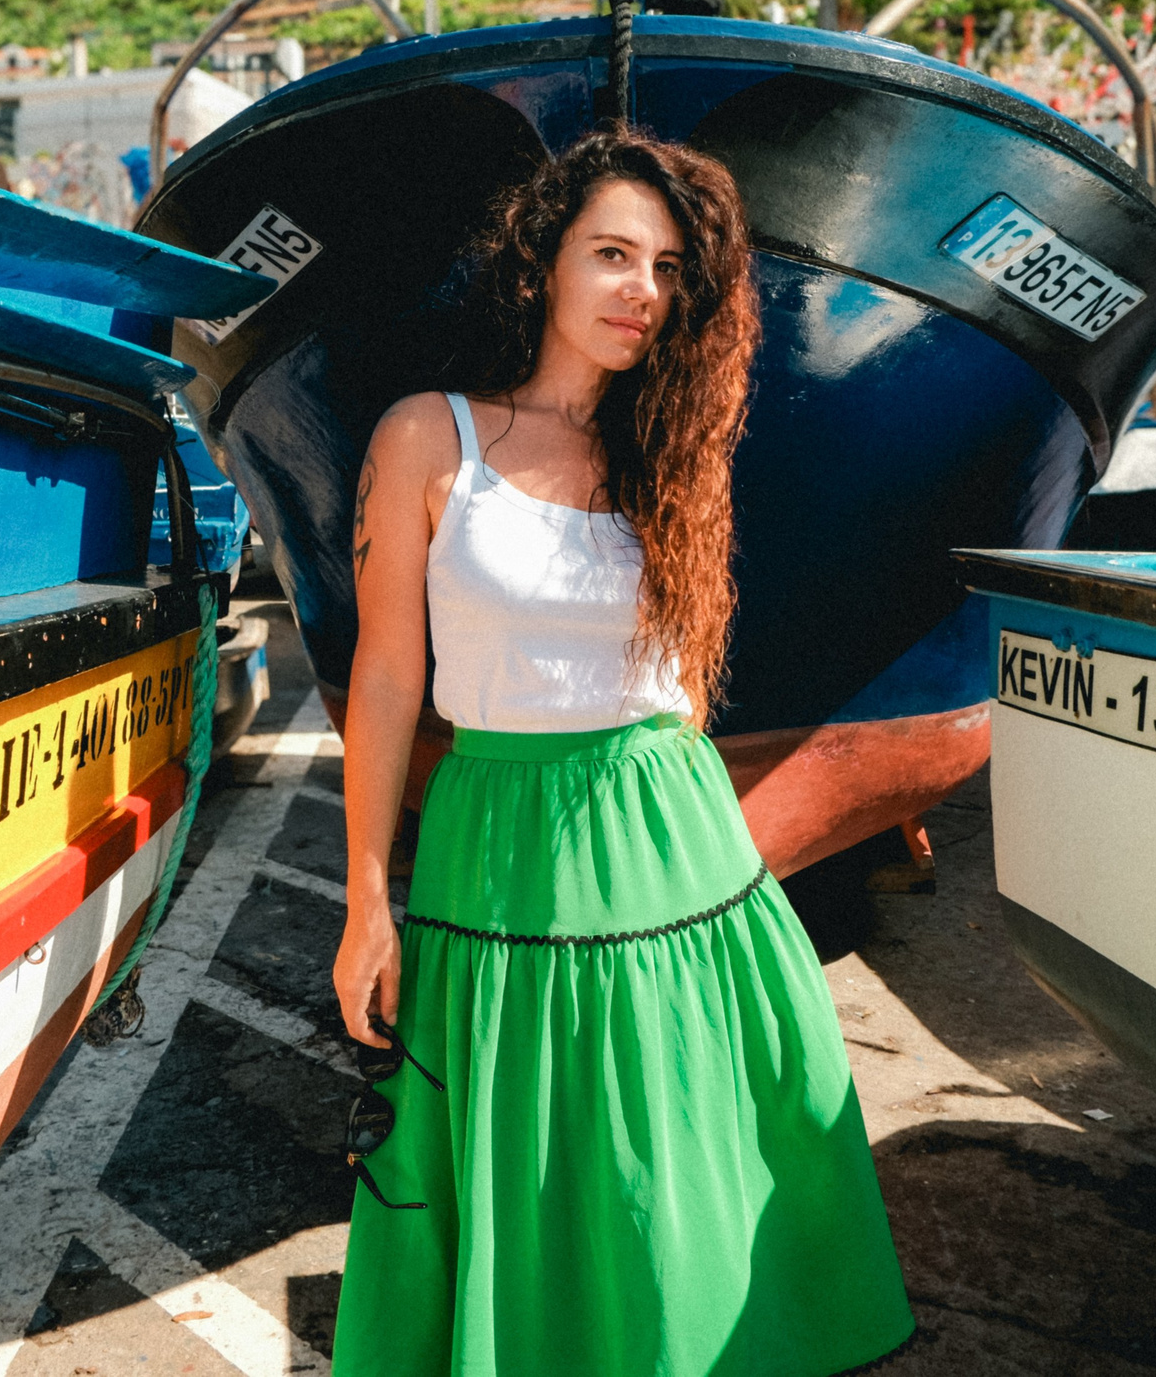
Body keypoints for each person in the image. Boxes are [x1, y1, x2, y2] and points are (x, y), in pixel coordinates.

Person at [327, 126, 916, 1375]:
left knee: (675, 1169)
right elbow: (386, 681)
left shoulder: (671, 455)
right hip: (501, 842)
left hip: (677, 852)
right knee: (532, 1165)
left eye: (663, 268)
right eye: (609, 253)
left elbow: (681, 684)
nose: (640, 289)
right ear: (542, 264)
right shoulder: (431, 438)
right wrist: (365, 901)